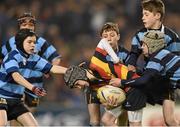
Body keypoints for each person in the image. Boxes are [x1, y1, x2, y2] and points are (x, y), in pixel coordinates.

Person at [126, 0, 180, 125]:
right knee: (132, 96)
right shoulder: (139, 34)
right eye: (142, 14)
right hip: (148, 78)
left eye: (146, 14)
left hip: (166, 83)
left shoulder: (172, 37)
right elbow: (133, 54)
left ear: (157, 15)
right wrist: (131, 66)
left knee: (170, 120)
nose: (142, 18)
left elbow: (176, 61)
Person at [1, 12, 61, 125]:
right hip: (15, 87)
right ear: (19, 27)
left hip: (35, 86)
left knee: (26, 117)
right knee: (17, 118)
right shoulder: (10, 43)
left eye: (31, 25)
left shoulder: (41, 42)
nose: (27, 27)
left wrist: (50, 70)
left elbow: (55, 57)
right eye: (24, 25)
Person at [110, 30, 180, 126]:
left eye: (144, 44)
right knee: (170, 121)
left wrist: (122, 82)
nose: (141, 47)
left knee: (138, 88)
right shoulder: (161, 55)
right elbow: (149, 75)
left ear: (152, 46)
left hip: (168, 87)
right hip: (169, 87)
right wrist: (137, 71)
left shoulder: (157, 58)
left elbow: (144, 81)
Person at [84, 22, 130, 126]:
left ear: (118, 36)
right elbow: (90, 76)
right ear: (101, 38)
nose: (109, 38)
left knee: (121, 121)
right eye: (105, 36)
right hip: (96, 88)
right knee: (95, 122)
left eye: (112, 35)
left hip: (118, 89)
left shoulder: (126, 55)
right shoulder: (97, 55)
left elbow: (130, 78)